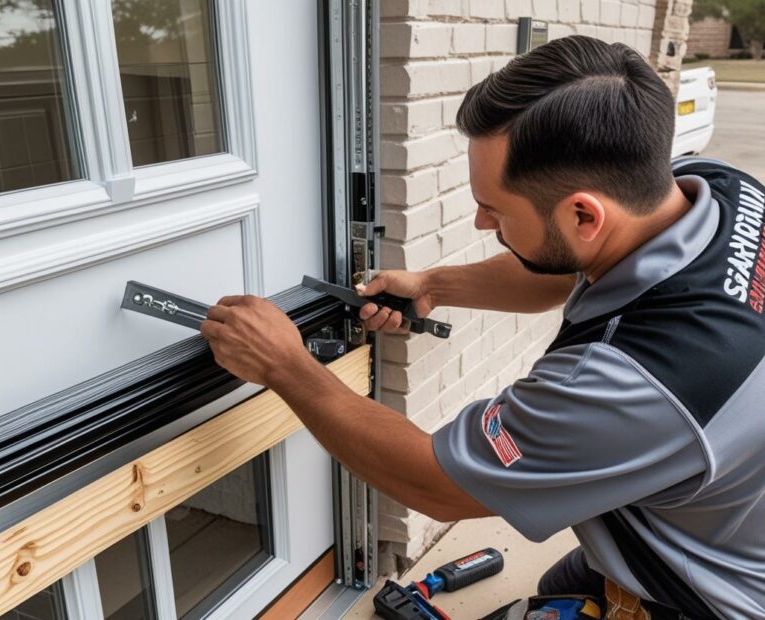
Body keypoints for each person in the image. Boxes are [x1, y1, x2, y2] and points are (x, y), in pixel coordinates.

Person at [199, 36, 765, 619]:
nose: (479, 219)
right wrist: (435, 286)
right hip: (716, 510)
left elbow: (437, 486)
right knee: (565, 579)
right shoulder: (713, 190)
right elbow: (573, 262)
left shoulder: (635, 384)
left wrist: (285, 367)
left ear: (584, 213)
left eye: (495, 208)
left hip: (705, 594)